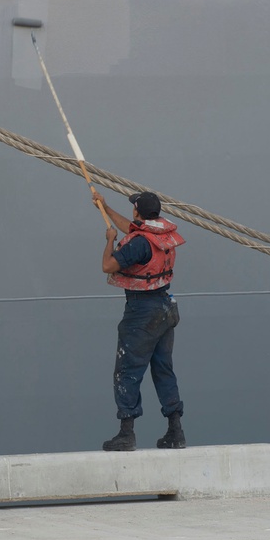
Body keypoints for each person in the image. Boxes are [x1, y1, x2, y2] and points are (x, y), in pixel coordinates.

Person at [92, 191, 186, 452]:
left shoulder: (138, 244)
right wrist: (106, 208)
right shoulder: (159, 233)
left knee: (127, 372)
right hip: (165, 308)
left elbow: (108, 266)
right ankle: (175, 431)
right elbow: (132, 229)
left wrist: (110, 240)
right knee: (163, 369)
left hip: (142, 312)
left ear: (138, 211)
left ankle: (126, 433)